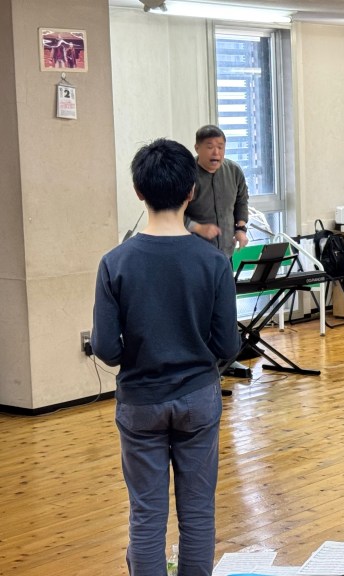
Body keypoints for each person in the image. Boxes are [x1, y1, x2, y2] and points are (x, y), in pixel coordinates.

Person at [92, 138, 240, 576]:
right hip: (198, 398)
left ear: (138, 191)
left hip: (140, 402)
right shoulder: (214, 262)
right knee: (197, 512)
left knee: (146, 515)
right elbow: (228, 346)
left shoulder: (114, 262)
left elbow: (106, 349)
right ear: (191, 191)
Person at [185, 125, 249, 258]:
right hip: (196, 254)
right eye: (210, 147)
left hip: (226, 254)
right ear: (197, 148)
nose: (216, 153)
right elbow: (173, 213)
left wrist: (240, 229)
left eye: (220, 147)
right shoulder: (186, 174)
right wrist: (198, 228)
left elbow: (241, 201)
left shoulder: (234, 171)